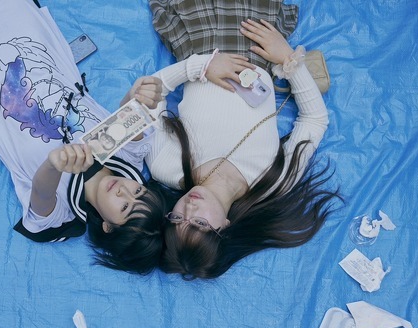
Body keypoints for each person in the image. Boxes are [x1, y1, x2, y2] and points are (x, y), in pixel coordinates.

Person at [0, 0, 169, 274]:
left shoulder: (64, 213)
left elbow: (41, 193)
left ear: (108, 227)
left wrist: (55, 164)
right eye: (138, 192)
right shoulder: (125, 157)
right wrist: (138, 94)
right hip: (20, 29)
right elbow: (129, 111)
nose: (125, 190)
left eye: (125, 207)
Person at [145, 1, 340, 279]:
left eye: (177, 219)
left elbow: (149, 94)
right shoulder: (273, 183)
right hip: (257, 44)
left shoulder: (166, 168)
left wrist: (200, 66)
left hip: (197, 40)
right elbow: (314, 121)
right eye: (199, 223)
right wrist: (288, 60)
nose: (188, 207)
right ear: (224, 227)